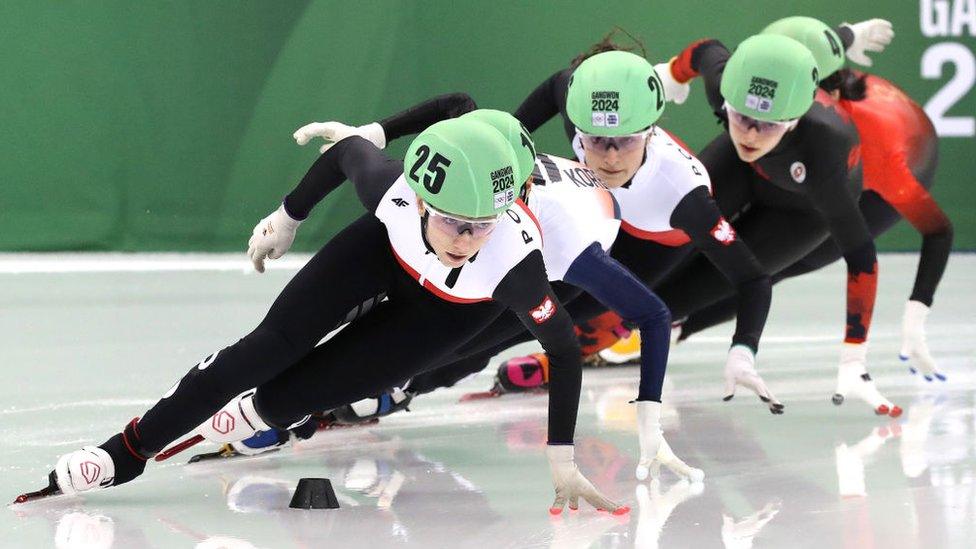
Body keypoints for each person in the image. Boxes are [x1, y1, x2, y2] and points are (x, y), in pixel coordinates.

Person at [25, 118, 625, 515]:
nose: (464, 241)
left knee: (281, 403)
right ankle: (121, 454)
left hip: (445, 315)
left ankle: (253, 422)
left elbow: (565, 348)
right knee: (260, 353)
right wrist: (287, 218)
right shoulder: (390, 190)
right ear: (418, 196)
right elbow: (345, 153)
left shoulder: (515, 262)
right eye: (450, 221)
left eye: (480, 227)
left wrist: (561, 455)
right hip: (381, 253)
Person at [276, 58, 705, 481]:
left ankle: (397, 387)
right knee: (438, 306)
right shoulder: (537, 164)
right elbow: (517, 93)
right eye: (595, 141)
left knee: (476, 336)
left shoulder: (581, 233)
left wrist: (651, 420)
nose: (609, 155)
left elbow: (652, 313)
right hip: (546, 223)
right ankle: (340, 384)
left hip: (571, 257)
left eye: (625, 142)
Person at [642, 20, 902, 416]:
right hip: (748, 171)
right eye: (740, 116)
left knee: (699, 287)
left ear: (796, 117)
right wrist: (673, 74)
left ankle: (664, 323)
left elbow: (862, 259)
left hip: (803, 212)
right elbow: (705, 47)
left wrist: (854, 356)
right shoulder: (728, 85)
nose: (749, 134)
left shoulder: (826, 147)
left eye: (766, 124)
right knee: (665, 236)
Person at [673, 17, 952, 384]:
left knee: (784, 262)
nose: (757, 118)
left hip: (871, 186)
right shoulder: (779, 80)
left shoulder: (881, 153)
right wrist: (847, 34)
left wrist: (916, 316)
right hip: (813, 143)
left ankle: (679, 325)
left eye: (774, 117)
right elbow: (801, 44)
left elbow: (938, 231)